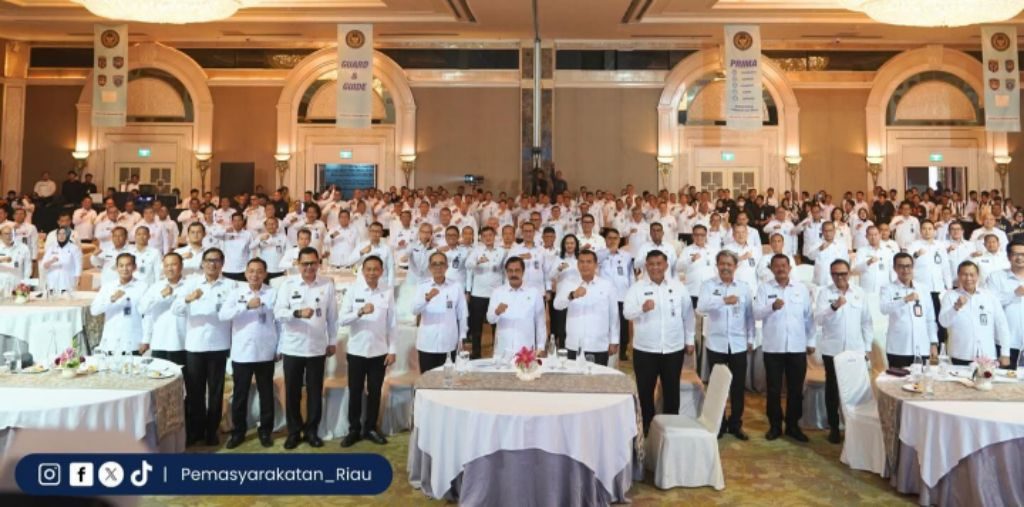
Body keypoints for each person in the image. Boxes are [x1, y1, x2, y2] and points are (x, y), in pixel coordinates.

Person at [623, 250, 695, 434]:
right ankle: (647, 426)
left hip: (673, 348)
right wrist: (641, 308)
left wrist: (689, 340)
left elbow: (688, 316)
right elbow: (627, 313)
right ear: (646, 266)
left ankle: (670, 428)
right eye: (651, 264)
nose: (655, 267)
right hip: (645, 349)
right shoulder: (636, 288)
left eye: (659, 264)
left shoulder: (678, 287)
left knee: (671, 390)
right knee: (645, 391)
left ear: (666, 265)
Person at [273, 246, 338, 449]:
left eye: (313, 263)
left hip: (317, 347)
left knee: (315, 391)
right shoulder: (288, 284)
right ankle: (294, 431)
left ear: (319, 263)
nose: (309, 267)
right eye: (305, 264)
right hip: (293, 347)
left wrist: (332, 341)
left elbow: (332, 317)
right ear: (298, 264)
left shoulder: (327, 284)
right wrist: (297, 313)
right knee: (292, 391)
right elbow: (278, 313)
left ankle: (311, 431)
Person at [172, 248, 236, 446]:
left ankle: (212, 430)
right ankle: (196, 430)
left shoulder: (231, 285)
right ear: (202, 263)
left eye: (216, 261)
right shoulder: (191, 283)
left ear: (222, 264)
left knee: (216, 391)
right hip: (195, 344)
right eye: (208, 260)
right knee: (195, 391)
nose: (212, 264)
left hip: (219, 343)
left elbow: (231, 312)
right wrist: (188, 299)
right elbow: (176, 309)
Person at [219, 258, 279, 449]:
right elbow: (223, 315)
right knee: (240, 395)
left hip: (265, 351)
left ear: (265, 274)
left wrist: (279, 348)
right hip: (242, 352)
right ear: (245, 273)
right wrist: (245, 306)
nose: (255, 275)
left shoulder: (273, 293)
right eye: (251, 271)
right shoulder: (236, 293)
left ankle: (265, 431)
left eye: (259, 271)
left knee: (266, 394)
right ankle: (238, 432)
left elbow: (279, 322)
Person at [754, 254, 814, 442]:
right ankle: (775, 426)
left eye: (783, 265)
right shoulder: (764, 288)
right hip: (773, 347)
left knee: (796, 390)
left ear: (789, 268)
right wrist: (771, 307)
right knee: (773, 390)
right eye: (776, 266)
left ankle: (793, 426)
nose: (780, 268)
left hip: (797, 347)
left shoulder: (801, 289)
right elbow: (756, 313)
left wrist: (811, 341)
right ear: (771, 269)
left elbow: (808, 317)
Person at [339, 255, 396, 447]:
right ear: (363, 271)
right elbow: (342, 320)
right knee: (355, 391)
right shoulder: (353, 290)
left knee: (375, 391)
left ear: (381, 271)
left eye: (376, 269)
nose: (372, 273)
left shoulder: (387, 291)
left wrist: (392, 349)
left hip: (379, 351)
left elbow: (392, 323)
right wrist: (360, 311)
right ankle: (354, 429)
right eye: (368, 269)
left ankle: (370, 428)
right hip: (356, 350)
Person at [697, 251, 755, 440]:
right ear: (717, 265)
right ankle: (719, 423)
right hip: (716, 343)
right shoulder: (708, 285)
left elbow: (750, 316)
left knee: (737, 387)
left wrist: (751, 339)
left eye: (729, 264)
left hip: (738, 344)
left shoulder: (744, 288)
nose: (725, 267)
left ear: (735, 267)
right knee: (717, 386)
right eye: (722, 264)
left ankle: (736, 424)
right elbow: (700, 308)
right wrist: (723, 301)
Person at [814, 259, 873, 444]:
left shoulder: (859, 293)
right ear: (831, 275)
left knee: (855, 390)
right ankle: (834, 427)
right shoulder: (824, 293)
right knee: (832, 390)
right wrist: (833, 307)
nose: (840, 277)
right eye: (835, 274)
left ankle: (855, 427)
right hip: (832, 350)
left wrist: (867, 348)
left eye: (843, 273)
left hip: (855, 350)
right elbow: (818, 319)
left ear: (849, 274)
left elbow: (866, 322)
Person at [553, 250, 619, 365]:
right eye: (582, 262)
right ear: (577, 264)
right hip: (573, 345)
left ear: (596, 265)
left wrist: (614, 340)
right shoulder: (569, 283)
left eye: (589, 262)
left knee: (598, 376)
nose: (585, 265)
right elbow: (557, 305)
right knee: (573, 376)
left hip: (598, 345)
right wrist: (572, 295)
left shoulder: (607, 285)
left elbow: (614, 315)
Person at [939, 261, 1011, 366]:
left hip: (987, 356)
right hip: (960, 355)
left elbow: (1002, 325)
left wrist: (1005, 353)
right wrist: (956, 307)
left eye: (972, 275)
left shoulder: (989, 296)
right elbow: (943, 323)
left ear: (977, 276)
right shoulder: (950, 296)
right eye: (964, 274)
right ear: (958, 276)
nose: (968, 278)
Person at [880, 253, 938, 368]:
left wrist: (933, 343)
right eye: (901, 266)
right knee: (896, 379)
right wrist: (904, 300)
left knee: (922, 379)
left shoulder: (923, 289)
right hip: (899, 349)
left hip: (922, 347)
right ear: (894, 268)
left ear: (912, 267)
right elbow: (884, 309)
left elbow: (930, 319)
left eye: (908, 266)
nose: (905, 270)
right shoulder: (887, 288)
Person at [413, 252, 468, 372]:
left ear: (447, 266)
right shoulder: (422, 286)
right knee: (427, 379)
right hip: (427, 343)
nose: (438, 267)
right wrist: (426, 299)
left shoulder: (456, 286)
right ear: (429, 267)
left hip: (449, 343)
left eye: (441, 263)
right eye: (434, 264)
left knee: (448, 379)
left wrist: (462, 337)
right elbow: (414, 310)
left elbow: (462, 314)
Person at [487, 256, 548, 356]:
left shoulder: (534, 293)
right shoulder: (497, 292)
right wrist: (497, 312)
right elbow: (490, 319)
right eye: (510, 271)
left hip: (526, 352)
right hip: (502, 351)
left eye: (517, 270)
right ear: (506, 272)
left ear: (523, 272)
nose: (513, 274)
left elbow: (540, 323)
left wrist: (541, 347)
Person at [90, 253, 146, 354]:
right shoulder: (108, 287)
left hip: (133, 341)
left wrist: (146, 339)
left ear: (134, 267)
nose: (125, 269)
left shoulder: (143, 287)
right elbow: (94, 310)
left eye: (128, 265)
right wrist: (111, 299)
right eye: (121, 265)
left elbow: (148, 315)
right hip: (111, 341)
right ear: (116, 268)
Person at [138, 252, 187, 366]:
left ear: (181, 266)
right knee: (159, 375)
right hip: (159, 342)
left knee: (182, 376)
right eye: (166, 265)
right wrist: (161, 295)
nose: (170, 268)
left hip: (182, 343)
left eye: (173, 264)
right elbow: (143, 310)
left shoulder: (190, 286)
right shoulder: (156, 287)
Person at [465, 226, 507, 359]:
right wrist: (477, 262)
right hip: (478, 294)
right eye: (485, 236)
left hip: (496, 294)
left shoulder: (502, 251)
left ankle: (498, 353)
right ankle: (476, 353)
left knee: (497, 325)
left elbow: (505, 272)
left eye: (490, 235)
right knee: (476, 326)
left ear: (495, 236)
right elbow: (467, 265)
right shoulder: (476, 251)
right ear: (481, 238)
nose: (488, 238)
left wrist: (505, 291)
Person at [986, 241, 1024, 367]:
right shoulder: (996, 277)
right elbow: (990, 303)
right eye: (1016, 254)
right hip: (1006, 343)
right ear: (1008, 256)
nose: (1020, 258)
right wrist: (1014, 294)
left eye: (1023, 254)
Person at [599, 228, 635, 360]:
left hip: (622, 294)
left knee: (623, 324)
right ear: (605, 240)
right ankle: (605, 347)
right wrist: (609, 251)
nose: (613, 241)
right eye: (610, 238)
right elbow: (596, 261)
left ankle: (623, 351)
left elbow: (631, 275)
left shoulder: (626, 256)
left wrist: (632, 292)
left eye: (615, 238)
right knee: (606, 322)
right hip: (604, 296)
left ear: (620, 240)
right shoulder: (599, 254)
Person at [40, 226, 82, 294]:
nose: (61, 236)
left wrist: (78, 277)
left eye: (64, 234)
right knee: (52, 297)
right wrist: (51, 261)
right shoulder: (51, 248)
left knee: (66, 297)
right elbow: (43, 265)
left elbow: (78, 264)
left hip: (67, 279)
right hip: (52, 279)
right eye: (59, 234)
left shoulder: (74, 248)